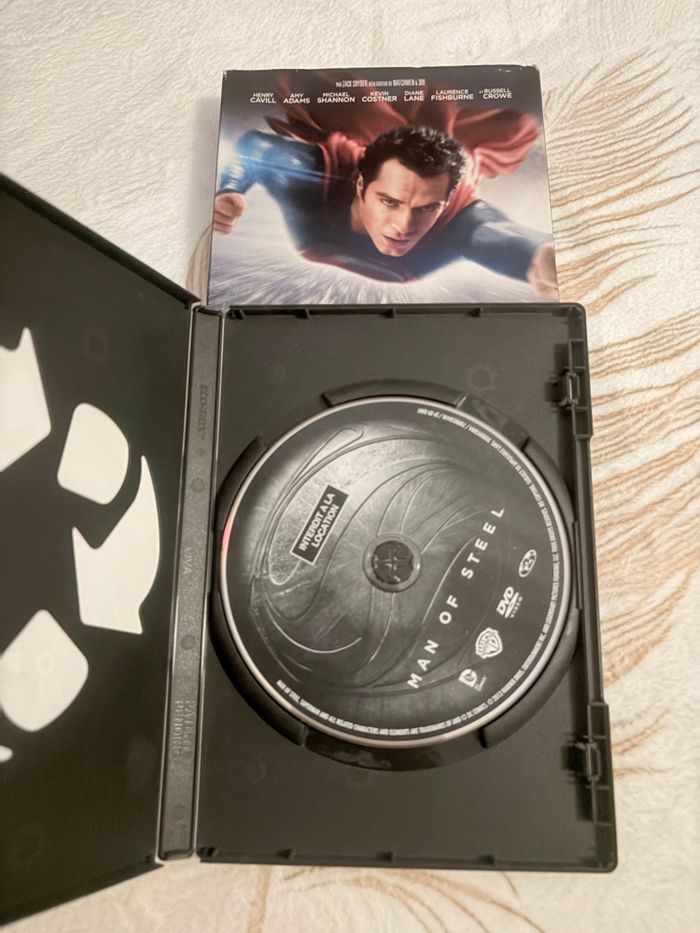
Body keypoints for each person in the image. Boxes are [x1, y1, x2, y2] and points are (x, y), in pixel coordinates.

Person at [214, 121, 556, 297]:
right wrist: (230, 188)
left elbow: (499, 235)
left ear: (445, 202)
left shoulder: (459, 222)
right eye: (389, 202)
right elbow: (256, 147)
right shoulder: (308, 181)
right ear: (361, 185)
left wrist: (541, 255)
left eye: (426, 208)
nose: (403, 226)